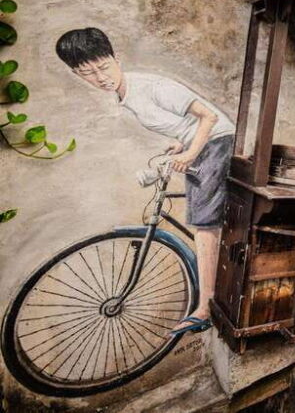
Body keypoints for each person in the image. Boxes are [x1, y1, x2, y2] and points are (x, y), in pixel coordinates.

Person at [55, 27, 233, 335]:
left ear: (117, 59)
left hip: (219, 144)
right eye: (88, 73)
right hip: (203, 145)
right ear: (77, 74)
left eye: (104, 67)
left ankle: (206, 307)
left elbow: (210, 117)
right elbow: (186, 124)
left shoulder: (151, 87)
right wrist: (181, 144)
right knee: (203, 220)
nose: (100, 78)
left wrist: (191, 152)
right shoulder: (125, 96)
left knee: (205, 227)